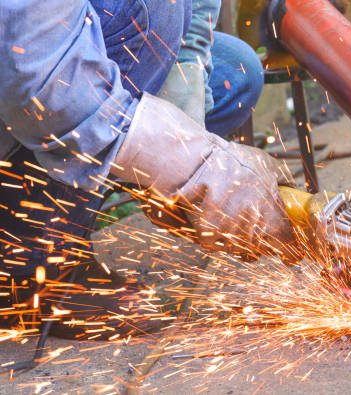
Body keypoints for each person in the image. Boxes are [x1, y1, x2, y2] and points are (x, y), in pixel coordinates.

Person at [0, 0, 300, 340]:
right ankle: (32, 267)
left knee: (234, 70)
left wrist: (182, 140)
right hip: (29, 67)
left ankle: (68, 202)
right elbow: (38, 72)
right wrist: (197, 170)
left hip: (41, 59)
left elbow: (193, 17)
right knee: (154, 10)